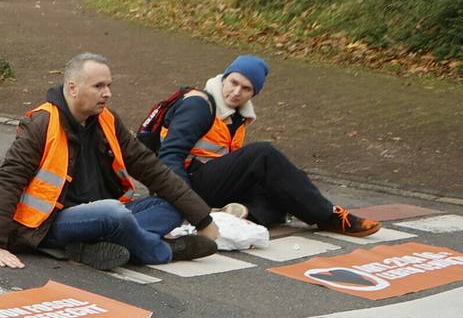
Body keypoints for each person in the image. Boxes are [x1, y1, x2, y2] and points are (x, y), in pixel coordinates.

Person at [0, 53, 223, 271]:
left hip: (104, 212)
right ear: (73, 88)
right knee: (112, 213)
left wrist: (202, 218)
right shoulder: (42, 124)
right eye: (98, 86)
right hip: (48, 224)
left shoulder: (107, 120)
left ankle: (88, 247)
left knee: (171, 205)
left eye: (108, 85)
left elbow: (150, 167)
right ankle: (164, 251)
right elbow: (8, 179)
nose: (107, 93)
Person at [154, 55, 380, 236]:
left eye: (246, 88)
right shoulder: (199, 105)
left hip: (209, 180)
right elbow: (169, 155)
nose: (236, 92)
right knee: (263, 154)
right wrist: (186, 203)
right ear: (224, 78)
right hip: (185, 184)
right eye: (233, 82)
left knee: (286, 185)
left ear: (254, 93)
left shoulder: (237, 114)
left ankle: (243, 215)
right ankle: (328, 217)